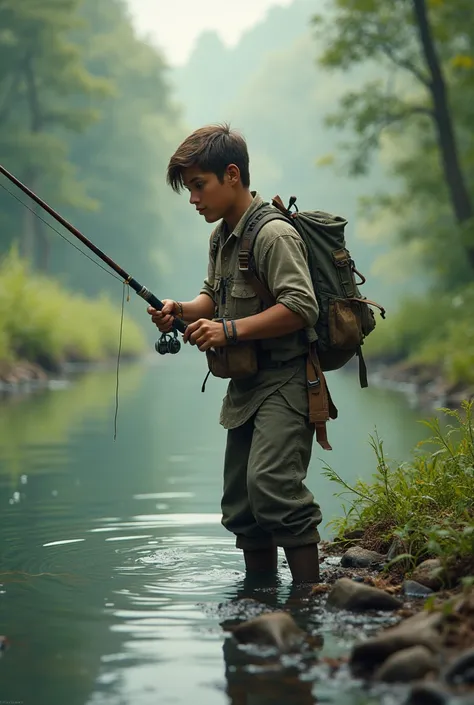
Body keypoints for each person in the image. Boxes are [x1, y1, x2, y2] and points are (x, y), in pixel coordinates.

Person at [147, 123, 322, 583]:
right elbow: (212, 296)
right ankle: (260, 601)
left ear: (231, 175)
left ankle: (309, 601)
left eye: (198, 186)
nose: (193, 199)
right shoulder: (220, 236)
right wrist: (178, 310)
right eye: (189, 190)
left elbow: (301, 307)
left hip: (286, 381)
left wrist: (228, 331)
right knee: (241, 503)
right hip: (245, 387)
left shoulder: (273, 235)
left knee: (273, 489)